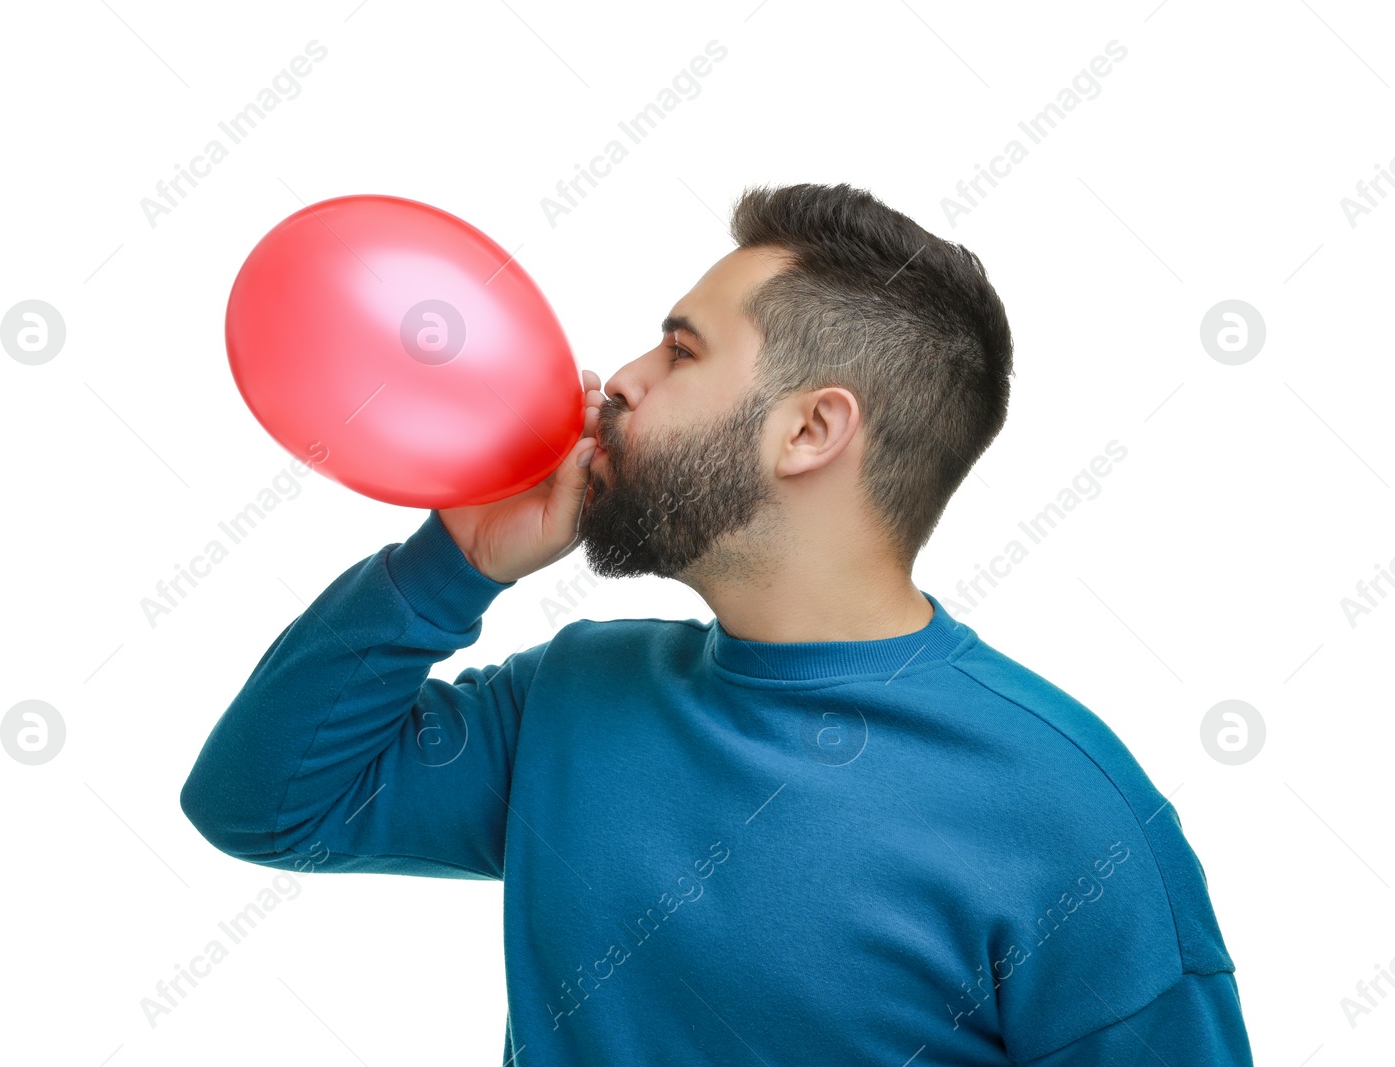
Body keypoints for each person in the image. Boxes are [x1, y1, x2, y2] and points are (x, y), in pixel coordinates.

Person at [180, 182, 1254, 1065]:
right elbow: (264, 804)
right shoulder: (572, 694)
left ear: (808, 429)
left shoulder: (1074, 814)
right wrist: (446, 570)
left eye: (680, 351)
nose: (615, 384)